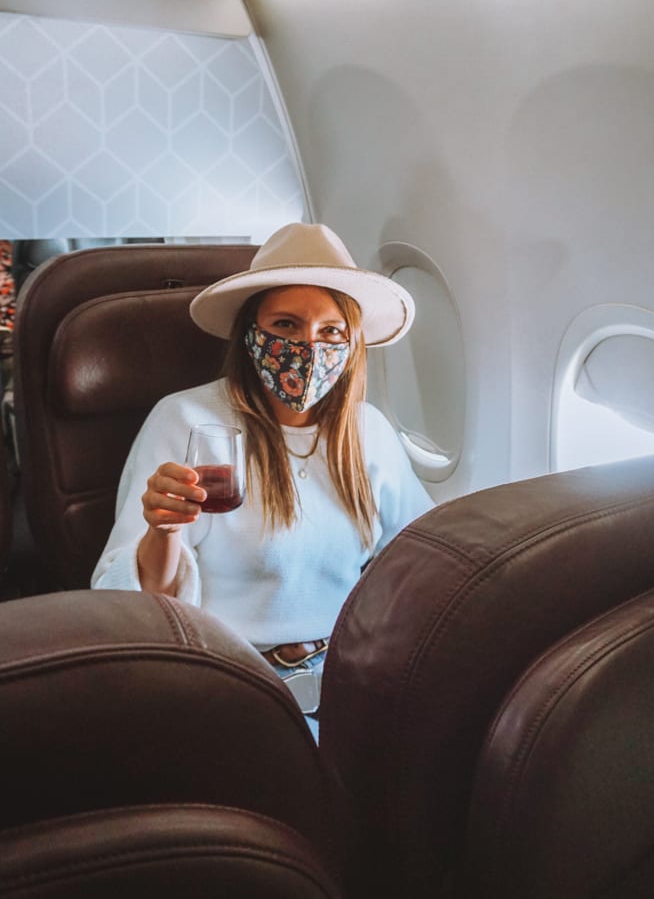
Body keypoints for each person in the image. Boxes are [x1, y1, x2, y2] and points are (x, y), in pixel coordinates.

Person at [91, 222, 434, 738]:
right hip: (231, 677)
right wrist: (162, 532)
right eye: (287, 325)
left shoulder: (368, 431)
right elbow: (130, 603)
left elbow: (420, 558)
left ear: (352, 342)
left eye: (330, 332)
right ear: (251, 333)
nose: (309, 348)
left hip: (345, 675)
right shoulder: (186, 420)